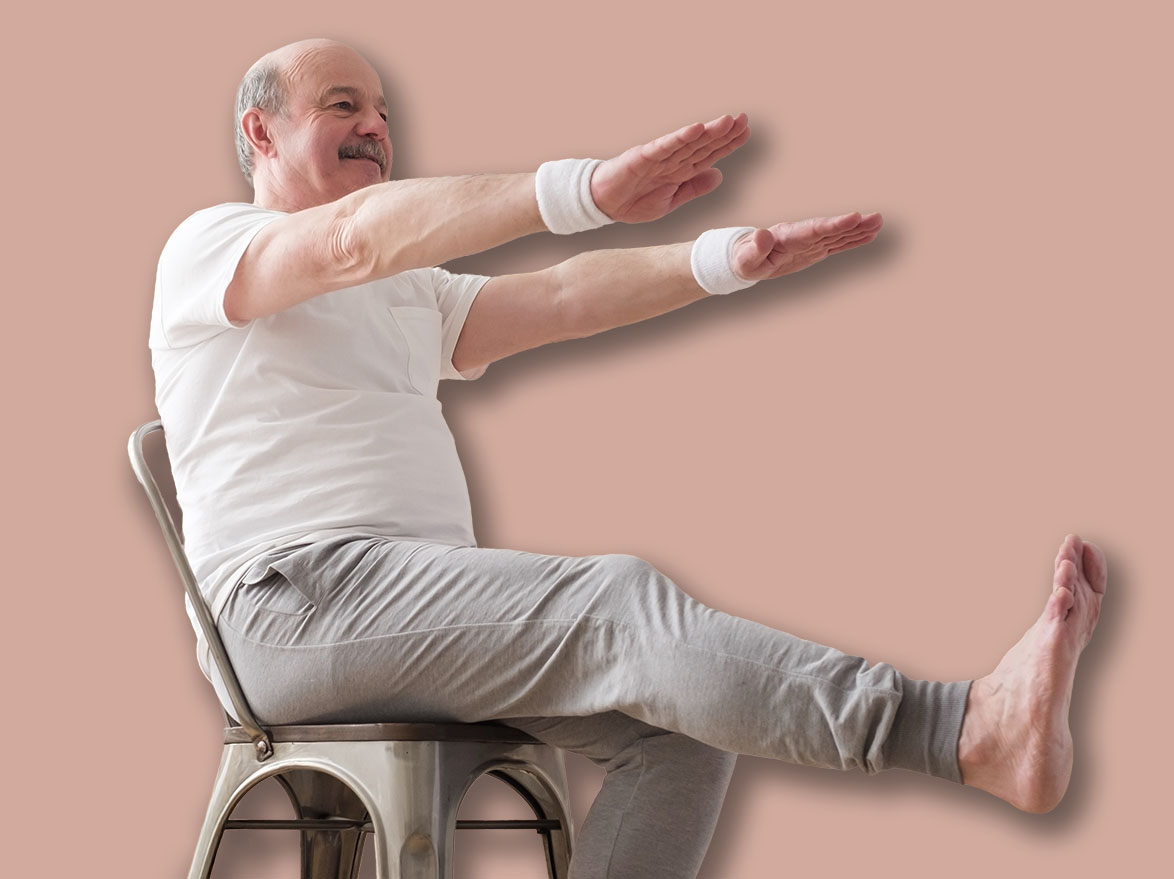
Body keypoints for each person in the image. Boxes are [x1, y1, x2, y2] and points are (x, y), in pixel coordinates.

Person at [150, 38, 1107, 878]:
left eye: (383, 111)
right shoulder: (212, 247)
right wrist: (583, 191)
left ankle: (963, 731)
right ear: (262, 134)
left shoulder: (408, 290)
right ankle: (960, 729)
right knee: (616, 603)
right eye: (341, 106)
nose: (374, 127)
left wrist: (723, 260)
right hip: (290, 606)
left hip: (397, 602)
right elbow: (351, 241)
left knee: (680, 732)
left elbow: (565, 297)